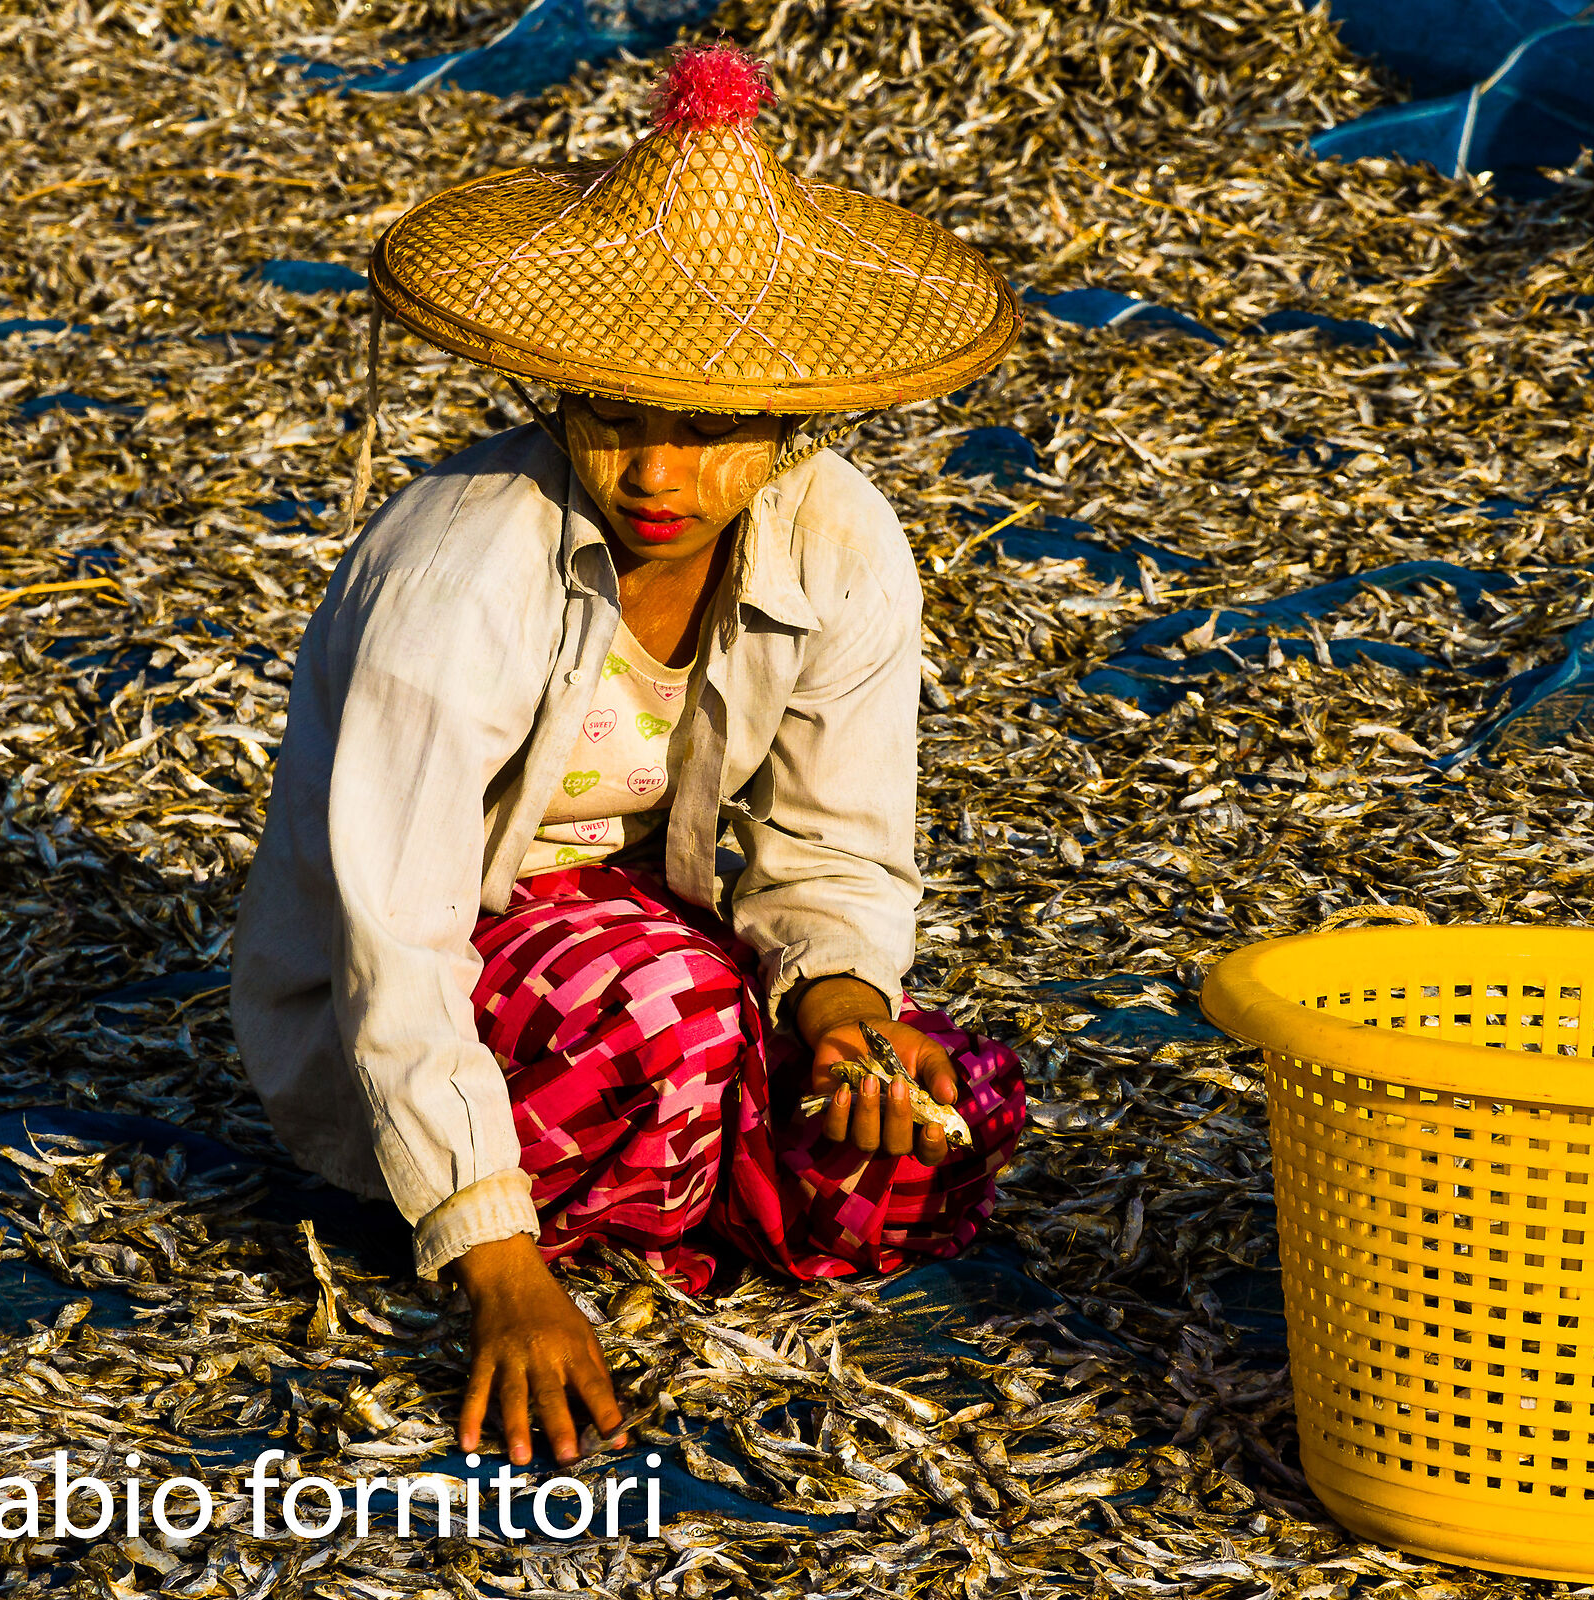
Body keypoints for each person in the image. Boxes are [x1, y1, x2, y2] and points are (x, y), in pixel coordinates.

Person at [229, 41, 1028, 1471]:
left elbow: (834, 845)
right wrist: (498, 1270)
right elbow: (395, 938)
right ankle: (518, 1202)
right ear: (557, 399)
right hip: (416, 984)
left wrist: (842, 1007)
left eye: (712, 429)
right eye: (615, 417)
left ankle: (666, 1168)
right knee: (676, 1020)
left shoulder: (840, 538)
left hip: (640, 927)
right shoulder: (462, 572)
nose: (658, 474)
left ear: (789, 425)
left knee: (922, 1117)